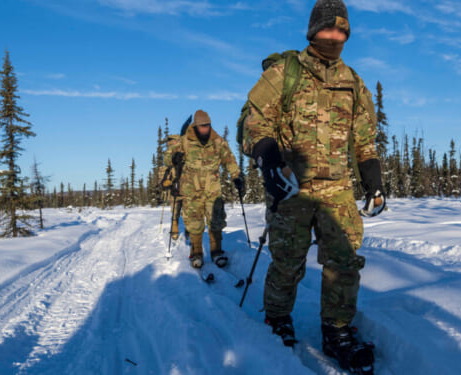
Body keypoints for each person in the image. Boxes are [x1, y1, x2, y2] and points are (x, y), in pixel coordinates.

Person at [241, 0, 385, 373]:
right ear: (312, 31)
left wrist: (373, 181)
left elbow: (365, 138)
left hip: (337, 188)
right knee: (288, 261)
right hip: (292, 187)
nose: (334, 37)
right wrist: (269, 160)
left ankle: (337, 331)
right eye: (328, 29)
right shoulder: (284, 72)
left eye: (342, 31)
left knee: (344, 262)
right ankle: (277, 319)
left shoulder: (353, 82)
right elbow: (253, 123)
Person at [165, 110, 244, 269]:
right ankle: (196, 253)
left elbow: (229, 159)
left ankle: (217, 251)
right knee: (194, 223)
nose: (205, 129)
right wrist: (174, 158)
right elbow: (168, 158)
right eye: (201, 126)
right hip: (191, 189)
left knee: (216, 220)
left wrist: (236, 176)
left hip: (212, 188)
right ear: (195, 126)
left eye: (207, 126)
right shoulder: (184, 141)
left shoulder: (217, 141)